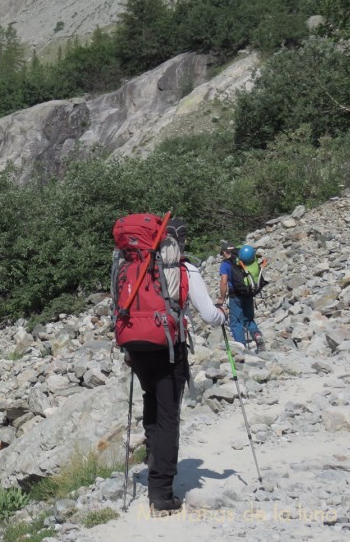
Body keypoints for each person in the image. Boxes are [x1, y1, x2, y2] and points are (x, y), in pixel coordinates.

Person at [123, 218, 228, 514]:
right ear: (180, 241)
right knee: (169, 416)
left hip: (137, 350)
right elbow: (208, 314)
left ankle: (154, 463)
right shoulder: (184, 268)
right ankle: (161, 494)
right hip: (170, 349)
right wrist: (223, 316)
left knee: (152, 407)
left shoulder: (134, 266)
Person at [218, 243, 264, 351]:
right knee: (248, 319)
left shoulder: (225, 264)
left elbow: (224, 282)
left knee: (236, 322)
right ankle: (257, 335)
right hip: (248, 293)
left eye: (222, 254)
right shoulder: (244, 260)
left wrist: (222, 298)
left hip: (235, 296)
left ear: (224, 252)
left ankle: (241, 348)